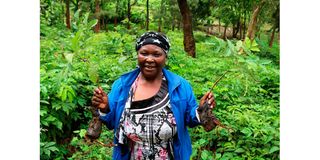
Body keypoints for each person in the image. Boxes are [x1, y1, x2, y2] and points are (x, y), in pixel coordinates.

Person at [91, 31, 216, 160]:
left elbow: (190, 118)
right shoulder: (123, 85)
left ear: (165, 57)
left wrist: (201, 110)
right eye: (144, 53)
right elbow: (112, 122)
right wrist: (105, 108)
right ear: (138, 55)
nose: (149, 59)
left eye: (157, 54)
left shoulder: (180, 86)